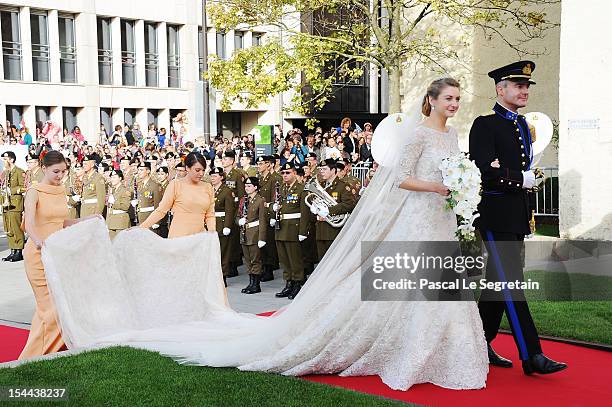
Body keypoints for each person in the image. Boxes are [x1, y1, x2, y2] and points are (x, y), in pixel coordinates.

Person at [32, 79, 489, 392]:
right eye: (448, 98)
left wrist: (460, 188)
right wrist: (441, 185)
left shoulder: (451, 138)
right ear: (431, 101)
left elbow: (445, 174)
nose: (454, 104)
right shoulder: (415, 136)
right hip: (418, 215)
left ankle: (437, 350)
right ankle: (402, 350)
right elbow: (400, 179)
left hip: (440, 219)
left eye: (457, 98)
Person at [469, 61, 567, 375]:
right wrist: (516, 179)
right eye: (518, 85)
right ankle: (532, 354)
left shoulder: (523, 125)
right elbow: (484, 171)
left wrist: (518, 178)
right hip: (495, 216)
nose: (524, 90)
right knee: (512, 284)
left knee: (497, 284)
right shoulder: (484, 125)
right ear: (501, 89)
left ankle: (479, 343)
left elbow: (508, 171)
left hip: (516, 216)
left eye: (526, 86)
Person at [19, 151, 99, 360]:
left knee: (52, 307)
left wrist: (88, 219)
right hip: (38, 255)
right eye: (56, 171)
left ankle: (42, 355)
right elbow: (28, 224)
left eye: (64, 171)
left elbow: (61, 222)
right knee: (50, 308)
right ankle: (38, 356)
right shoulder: (33, 191)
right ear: (43, 168)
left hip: (56, 254)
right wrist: (39, 243)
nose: (60, 175)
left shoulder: (60, 190)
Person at [139, 152, 215, 237]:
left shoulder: (208, 187)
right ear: (187, 168)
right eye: (197, 170)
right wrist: (141, 227)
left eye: (203, 170)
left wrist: (212, 233)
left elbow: (210, 215)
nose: (201, 173)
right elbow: (161, 210)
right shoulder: (175, 185)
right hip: (179, 238)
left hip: (200, 238)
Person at [269, 163, 310, 299]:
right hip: (281, 228)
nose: (285, 175)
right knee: (284, 259)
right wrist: (272, 208)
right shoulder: (280, 189)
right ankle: (289, 283)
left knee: (295, 259)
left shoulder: (301, 189)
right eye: (283, 173)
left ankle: (297, 283)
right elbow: (275, 206)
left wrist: (303, 232)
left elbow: (305, 213)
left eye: (288, 173)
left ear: (294, 173)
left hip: (294, 228)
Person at [312, 159, 357, 260]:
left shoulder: (343, 186)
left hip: (334, 231)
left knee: (335, 261)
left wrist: (329, 210)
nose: (321, 171)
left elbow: (349, 205)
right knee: (322, 262)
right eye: (320, 169)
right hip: (321, 230)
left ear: (333, 170)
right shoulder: (321, 186)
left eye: (324, 169)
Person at [237, 177, 267, 294]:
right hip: (244, 233)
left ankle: (256, 284)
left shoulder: (260, 200)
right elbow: (238, 215)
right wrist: (239, 221)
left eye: (249, 186)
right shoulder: (243, 200)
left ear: (255, 187)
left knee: (255, 260)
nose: (247, 188)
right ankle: (251, 283)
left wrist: (262, 238)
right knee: (248, 260)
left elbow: (262, 220)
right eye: (245, 186)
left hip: (255, 233)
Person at [210, 167, 235, 282]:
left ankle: (223, 275)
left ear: (221, 177)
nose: (212, 178)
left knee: (223, 251)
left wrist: (227, 226)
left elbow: (230, 210)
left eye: (215, 176)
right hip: (211, 223)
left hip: (222, 223)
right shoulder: (209, 189)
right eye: (211, 176)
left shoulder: (227, 190)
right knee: (212, 251)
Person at [1, 151, 26, 262]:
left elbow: (24, 187)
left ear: (12, 159)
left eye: (6, 158)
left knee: (16, 228)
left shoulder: (19, 172)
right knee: (8, 228)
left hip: (15, 204)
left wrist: (11, 190)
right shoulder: (5, 173)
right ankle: (12, 251)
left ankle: (19, 251)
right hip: (6, 204)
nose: (4, 161)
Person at [106, 170, 132, 239]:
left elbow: (125, 206)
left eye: (114, 177)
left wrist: (114, 202)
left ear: (120, 178)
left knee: (120, 245)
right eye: (111, 177)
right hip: (111, 221)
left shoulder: (125, 190)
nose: (112, 179)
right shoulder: (113, 190)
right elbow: (109, 208)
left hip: (120, 221)